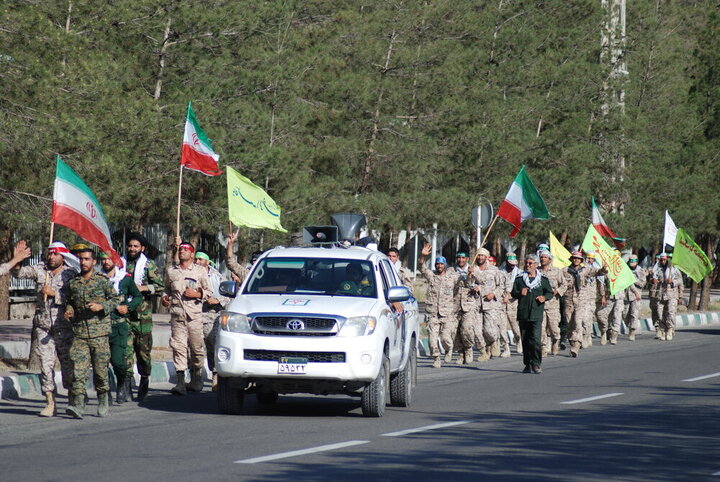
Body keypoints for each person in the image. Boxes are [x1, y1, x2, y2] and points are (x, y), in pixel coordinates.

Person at [12, 241, 78, 417]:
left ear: (63, 257)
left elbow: (77, 298)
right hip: (43, 327)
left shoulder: (70, 274)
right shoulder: (41, 269)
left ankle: (73, 399)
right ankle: (50, 402)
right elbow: (19, 273)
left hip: (64, 327)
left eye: (55, 254)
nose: (51, 257)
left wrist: (56, 294)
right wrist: (17, 260)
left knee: (68, 366)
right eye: (49, 253)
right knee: (45, 366)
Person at [63, 248, 118, 419]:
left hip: (99, 333)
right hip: (79, 333)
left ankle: (103, 399)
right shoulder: (73, 283)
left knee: (100, 372)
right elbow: (70, 301)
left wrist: (102, 307)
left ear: (94, 262)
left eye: (87, 259)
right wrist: (69, 311)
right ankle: (78, 405)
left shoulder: (102, 281)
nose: (83, 262)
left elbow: (116, 299)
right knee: (78, 371)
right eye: (81, 259)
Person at [162, 241, 210, 395]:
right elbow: (167, 289)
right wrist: (165, 298)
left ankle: (196, 378)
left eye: (185, 249)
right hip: (177, 316)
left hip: (194, 317)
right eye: (180, 249)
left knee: (196, 349)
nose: (182, 251)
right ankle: (180, 382)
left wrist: (197, 294)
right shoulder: (171, 271)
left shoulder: (200, 271)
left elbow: (209, 291)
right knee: (178, 347)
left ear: (192, 253)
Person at [124, 232, 164, 401]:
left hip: (143, 317)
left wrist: (144, 288)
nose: (132, 249)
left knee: (143, 353)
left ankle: (144, 380)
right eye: (130, 246)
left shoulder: (148, 265)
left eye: (135, 246)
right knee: (125, 352)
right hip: (124, 315)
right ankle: (125, 386)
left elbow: (160, 287)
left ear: (142, 248)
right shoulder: (122, 264)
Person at [99, 252, 142, 403]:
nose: (105, 262)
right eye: (103, 259)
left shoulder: (125, 279)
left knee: (118, 361)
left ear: (116, 260)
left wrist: (128, 307)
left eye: (108, 259)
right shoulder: (97, 278)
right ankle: (105, 392)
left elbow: (138, 296)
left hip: (119, 327)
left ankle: (122, 382)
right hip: (100, 326)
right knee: (101, 362)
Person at [511, 254, 554, 374]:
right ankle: (527, 364)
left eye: (530, 263)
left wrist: (544, 297)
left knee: (535, 340)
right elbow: (513, 293)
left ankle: (536, 363)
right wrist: (520, 292)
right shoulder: (520, 279)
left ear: (536, 265)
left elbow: (550, 293)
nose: (527, 265)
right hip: (523, 314)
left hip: (536, 314)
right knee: (525, 340)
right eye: (526, 263)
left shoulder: (542, 280)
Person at [418, 243, 459, 368]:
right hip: (433, 313)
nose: (439, 266)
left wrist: (470, 274)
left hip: (447, 314)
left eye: (442, 264)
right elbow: (422, 267)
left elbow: (465, 282)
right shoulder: (432, 277)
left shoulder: (452, 277)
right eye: (437, 264)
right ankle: (436, 358)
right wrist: (422, 256)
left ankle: (449, 349)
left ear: (445, 265)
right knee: (432, 338)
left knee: (446, 338)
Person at [194, 251, 229, 391]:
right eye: (195, 259)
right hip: (195, 314)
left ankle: (216, 376)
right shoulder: (191, 274)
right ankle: (195, 378)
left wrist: (217, 300)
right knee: (195, 347)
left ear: (207, 262)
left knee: (212, 345)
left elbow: (228, 297)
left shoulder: (217, 277)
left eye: (201, 259)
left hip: (212, 316)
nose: (197, 261)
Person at [464, 248, 504, 362]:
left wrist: (494, 294)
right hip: (476, 303)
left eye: (482, 256)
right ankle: (483, 352)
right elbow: (468, 284)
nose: (480, 258)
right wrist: (470, 275)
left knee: (489, 330)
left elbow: (501, 286)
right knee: (476, 330)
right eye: (478, 256)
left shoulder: (494, 270)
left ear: (486, 257)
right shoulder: (473, 268)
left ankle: (493, 341)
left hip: (490, 303)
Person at [563, 251, 604, 357]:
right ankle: (572, 341)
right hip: (568, 301)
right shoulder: (565, 271)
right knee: (569, 323)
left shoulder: (585, 270)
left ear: (581, 260)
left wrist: (604, 269)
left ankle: (576, 345)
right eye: (574, 258)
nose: (576, 260)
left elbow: (598, 272)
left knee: (577, 322)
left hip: (581, 301)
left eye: (578, 258)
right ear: (571, 259)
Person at [538, 250, 567, 356]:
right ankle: (543, 348)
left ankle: (555, 341)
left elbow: (564, 284)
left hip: (553, 305)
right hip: (539, 305)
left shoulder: (556, 271)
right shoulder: (537, 271)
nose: (543, 259)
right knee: (541, 328)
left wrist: (557, 291)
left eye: (545, 257)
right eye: (541, 257)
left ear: (549, 260)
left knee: (553, 328)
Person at [451, 251, 478, 364]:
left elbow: (476, 284)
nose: (461, 260)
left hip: (468, 304)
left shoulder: (474, 270)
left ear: (467, 259)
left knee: (466, 329)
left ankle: (468, 349)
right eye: (458, 258)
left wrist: (471, 276)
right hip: (454, 305)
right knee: (455, 331)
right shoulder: (451, 271)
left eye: (463, 258)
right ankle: (460, 353)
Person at [652, 253, 683, 340]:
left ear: (668, 260)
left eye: (665, 260)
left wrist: (672, 282)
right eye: (661, 260)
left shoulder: (674, 270)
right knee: (660, 313)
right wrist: (653, 280)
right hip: (661, 294)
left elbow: (680, 281)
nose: (663, 261)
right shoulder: (658, 269)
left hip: (672, 294)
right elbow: (654, 279)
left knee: (670, 312)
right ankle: (663, 329)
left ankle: (670, 329)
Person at [501, 252, 523, 354]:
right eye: (510, 263)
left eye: (514, 263)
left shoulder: (520, 273)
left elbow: (522, 288)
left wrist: (512, 294)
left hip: (513, 302)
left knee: (515, 325)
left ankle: (519, 340)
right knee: (501, 326)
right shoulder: (500, 272)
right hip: (501, 302)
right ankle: (506, 348)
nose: (512, 265)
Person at [624, 255, 646, 341]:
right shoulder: (625, 269)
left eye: (633, 263)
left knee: (634, 314)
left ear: (636, 262)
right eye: (630, 263)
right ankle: (629, 325)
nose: (632, 264)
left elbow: (642, 283)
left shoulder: (640, 271)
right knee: (624, 314)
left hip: (636, 296)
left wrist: (633, 279)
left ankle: (632, 331)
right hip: (626, 295)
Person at [647, 254, 663, 339]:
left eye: (659, 259)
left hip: (661, 294)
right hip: (653, 294)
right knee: (654, 312)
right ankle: (657, 329)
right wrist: (650, 278)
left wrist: (660, 280)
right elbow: (646, 281)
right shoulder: (651, 269)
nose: (657, 261)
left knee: (660, 312)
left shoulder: (665, 269)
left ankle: (664, 328)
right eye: (656, 259)